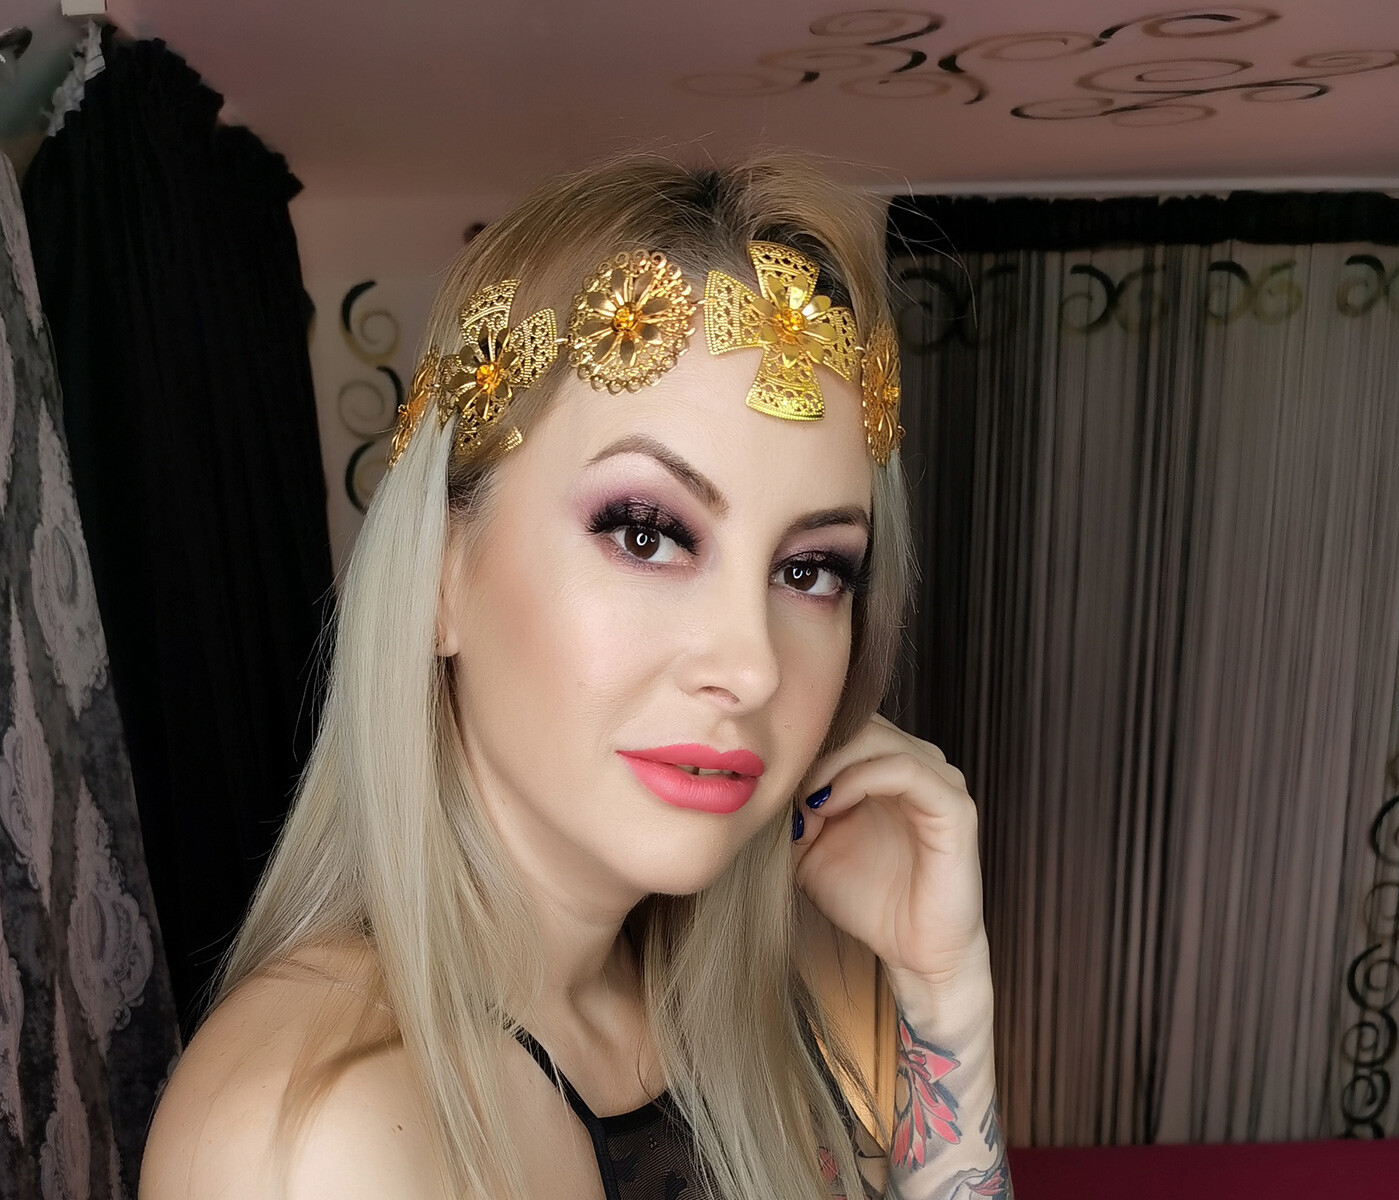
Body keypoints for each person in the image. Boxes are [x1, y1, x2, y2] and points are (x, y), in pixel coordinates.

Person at [139, 149, 1009, 1200]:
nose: (750, 667)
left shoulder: (779, 1003)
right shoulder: (317, 1139)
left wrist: (945, 993)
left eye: (810, 569)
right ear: (441, 576)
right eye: (647, 533)